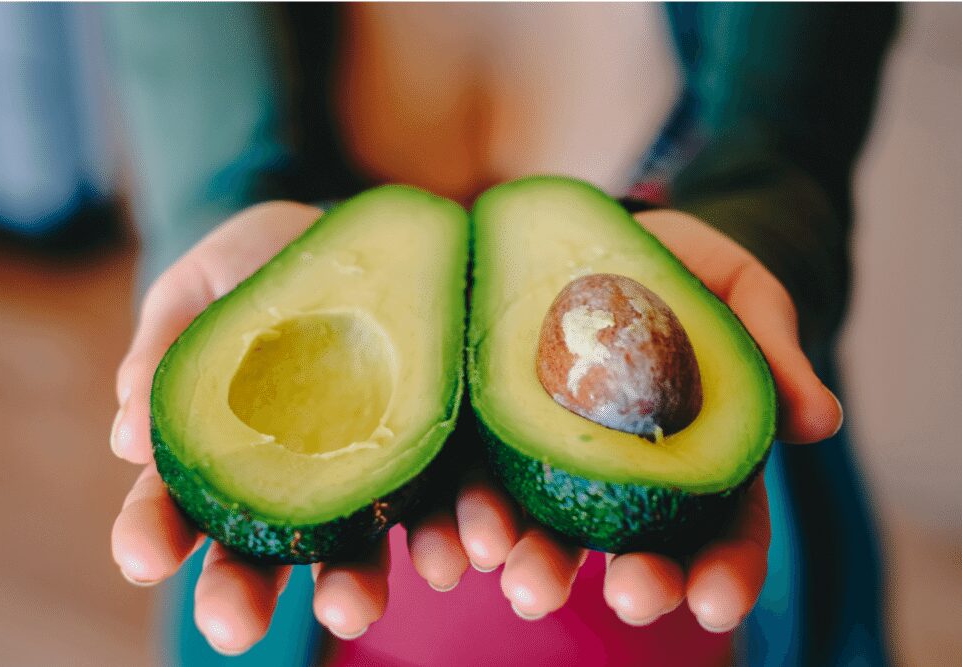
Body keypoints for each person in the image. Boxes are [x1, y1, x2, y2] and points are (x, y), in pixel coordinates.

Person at [105, 4, 896, 665]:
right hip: (323, 591)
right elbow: (192, 120)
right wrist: (217, 238)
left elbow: (791, 152)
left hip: (697, 573)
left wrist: (765, 245)